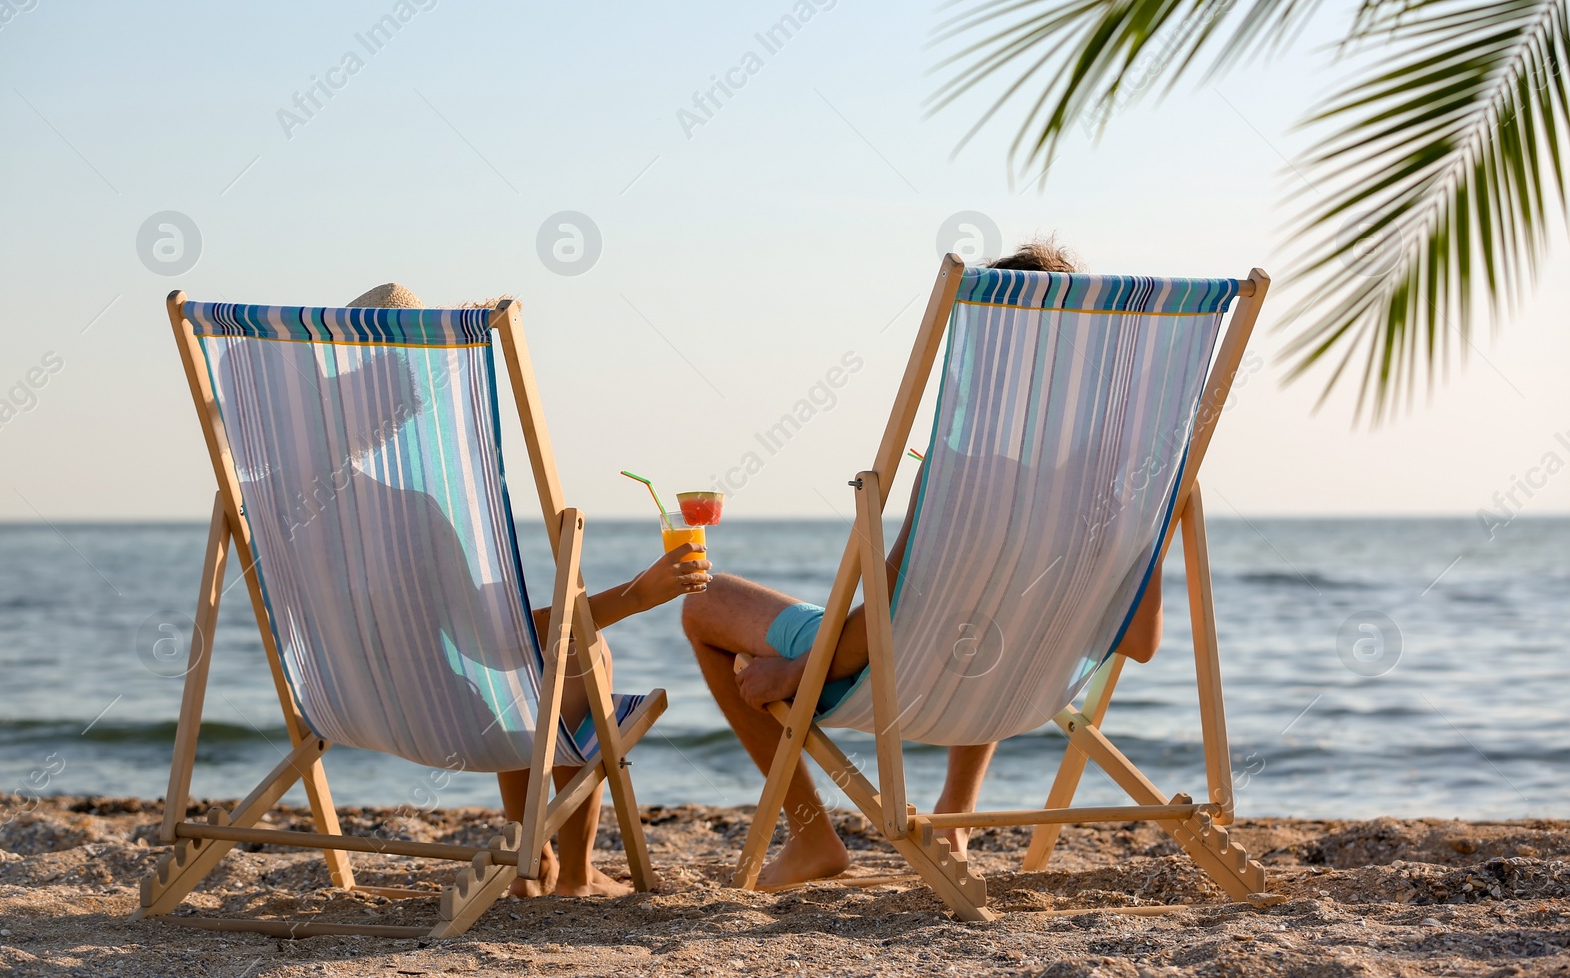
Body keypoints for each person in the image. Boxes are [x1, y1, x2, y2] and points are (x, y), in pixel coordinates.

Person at [680, 238, 1165, 886]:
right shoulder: (1132, 479)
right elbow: (1140, 640)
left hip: (913, 683)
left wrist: (796, 670)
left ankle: (811, 836)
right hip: (1023, 687)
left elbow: (889, 618)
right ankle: (956, 814)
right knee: (995, 615)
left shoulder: (961, 469)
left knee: (704, 602)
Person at [335, 285, 714, 897]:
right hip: (446, 719)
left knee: (530, 673)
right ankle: (576, 873)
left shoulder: (276, 509)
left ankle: (531, 858)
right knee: (576, 657)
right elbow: (494, 643)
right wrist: (639, 593)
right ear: (401, 414)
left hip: (344, 705)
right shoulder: (415, 512)